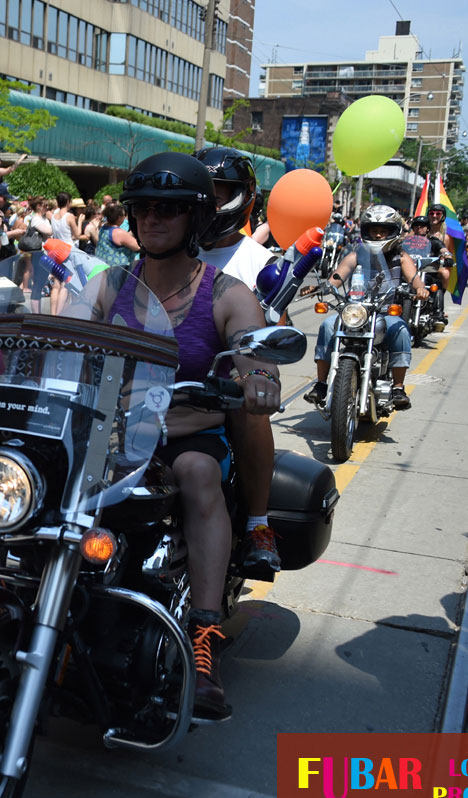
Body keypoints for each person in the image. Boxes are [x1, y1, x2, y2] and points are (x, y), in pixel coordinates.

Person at [98, 152, 283, 719]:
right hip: (114, 437)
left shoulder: (226, 293)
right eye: (144, 208)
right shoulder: (110, 284)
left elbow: (257, 353)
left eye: (169, 210)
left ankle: (204, 637)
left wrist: (258, 378)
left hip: (187, 434)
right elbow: (70, 337)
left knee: (199, 474)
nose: (153, 220)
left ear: (196, 220)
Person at [194, 147, 281, 571]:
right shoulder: (171, 249)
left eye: (217, 192)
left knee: (251, 410)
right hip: (162, 373)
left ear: (240, 197)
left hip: (225, 382)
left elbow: (269, 333)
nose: (208, 202)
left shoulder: (259, 263)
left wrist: (259, 376)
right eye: (201, 192)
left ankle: (258, 524)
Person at [304, 204, 428, 410]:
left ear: (393, 232)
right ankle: (322, 384)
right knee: (327, 325)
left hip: (384, 312)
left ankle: (398, 387)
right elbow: (337, 276)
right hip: (356, 311)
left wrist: (420, 289)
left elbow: (414, 279)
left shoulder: (401, 257)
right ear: (366, 231)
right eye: (374, 230)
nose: (378, 235)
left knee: (401, 330)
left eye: (383, 231)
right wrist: (322, 287)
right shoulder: (356, 255)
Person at [94, 202, 140, 268]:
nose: (125, 217)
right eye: (124, 215)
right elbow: (137, 247)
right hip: (118, 271)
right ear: (119, 218)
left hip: (103, 267)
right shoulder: (118, 232)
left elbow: (124, 238)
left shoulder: (104, 228)